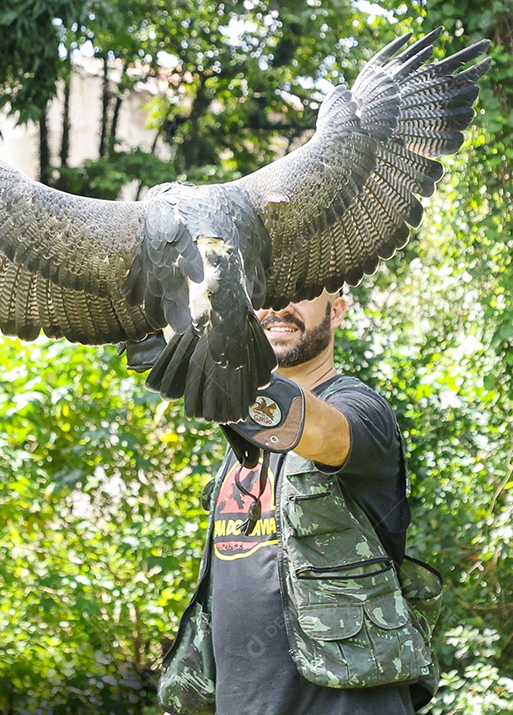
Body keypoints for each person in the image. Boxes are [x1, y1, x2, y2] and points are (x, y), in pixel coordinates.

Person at [155, 290, 439, 715]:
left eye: (301, 293)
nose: (278, 308)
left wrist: (224, 372)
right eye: (264, 296)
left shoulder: (362, 410)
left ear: (337, 310)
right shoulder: (241, 435)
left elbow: (321, 432)